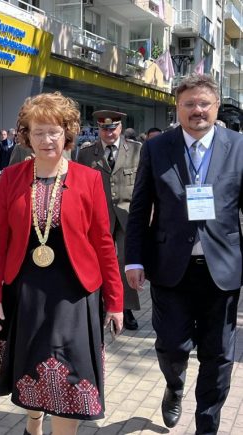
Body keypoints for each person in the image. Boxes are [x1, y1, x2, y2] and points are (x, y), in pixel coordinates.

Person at [0, 92, 123, 435]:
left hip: (75, 292)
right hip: (26, 291)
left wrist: (115, 301)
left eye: (54, 131)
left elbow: (104, 243)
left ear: (67, 133)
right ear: (26, 136)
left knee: (71, 374)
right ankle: (33, 421)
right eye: (38, 132)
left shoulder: (89, 178)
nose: (46, 140)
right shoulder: (11, 178)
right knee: (31, 366)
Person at [125, 74, 243, 434]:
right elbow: (140, 206)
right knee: (172, 346)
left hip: (222, 269)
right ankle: (174, 385)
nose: (197, 110)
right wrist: (134, 259)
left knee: (218, 355)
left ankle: (207, 424)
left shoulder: (238, 146)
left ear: (216, 106)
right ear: (177, 107)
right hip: (170, 267)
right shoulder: (158, 148)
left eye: (204, 103)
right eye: (189, 103)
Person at [76, 110, 142, 331]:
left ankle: (126, 307)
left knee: (124, 261)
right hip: (98, 216)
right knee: (98, 261)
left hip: (127, 215)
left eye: (113, 128)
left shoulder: (136, 150)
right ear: (98, 129)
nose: (109, 132)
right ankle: (100, 303)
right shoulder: (86, 154)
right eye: (104, 128)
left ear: (120, 127)